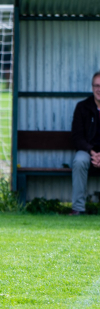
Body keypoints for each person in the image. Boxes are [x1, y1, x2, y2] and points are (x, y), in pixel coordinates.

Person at [70, 71, 100, 215]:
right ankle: (78, 208)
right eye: (96, 85)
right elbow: (76, 137)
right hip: (88, 152)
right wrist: (92, 152)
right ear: (92, 87)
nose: (99, 89)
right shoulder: (82, 107)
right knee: (79, 160)